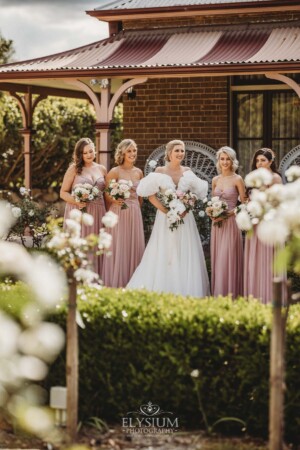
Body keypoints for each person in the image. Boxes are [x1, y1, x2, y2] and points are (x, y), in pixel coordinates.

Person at [127, 139, 210, 297]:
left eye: (182, 150)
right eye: (177, 150)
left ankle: (186, 289)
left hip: (185, 218)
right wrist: (166, 210)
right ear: (169, 153)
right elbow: (150, 195)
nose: (180, 153)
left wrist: (186, 207)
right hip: (165, 217)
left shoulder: (187, 171)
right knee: (166, 249)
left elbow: (197, 193)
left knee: (184, 249)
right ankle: (164, 286)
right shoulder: (159, 170)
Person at [60, 137, 107, 276]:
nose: (89, 155)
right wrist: (76, 201)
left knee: (95, 245)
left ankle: (96, 277)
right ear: (80, 154)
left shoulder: (102, 169)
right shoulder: (74, 169)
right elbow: (63, 192)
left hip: (98, 212)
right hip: (79, 211)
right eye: (85, 153)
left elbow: (107, 192)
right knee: (80, 245)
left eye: (91, 151)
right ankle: (76, 279)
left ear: (95, 151)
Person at [102, 139, 145, 288]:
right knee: (119, 245)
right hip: (118, 213)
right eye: (129, 151)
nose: (132, 154)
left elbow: (141, 197)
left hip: (134, 213)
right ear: (122, 153)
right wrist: (115, 200)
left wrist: (135, 209)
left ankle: (134, 282)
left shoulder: (139, 172)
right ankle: (117, 282)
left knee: (134, 245)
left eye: (134, 150)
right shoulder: (115, 171)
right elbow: (106, 195)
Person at [243, 148, 283, 304]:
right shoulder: (252, 178)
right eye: (257, 160)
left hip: (269, 222)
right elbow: (247, 200)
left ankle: (270, 296)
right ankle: (255, 295)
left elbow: (277, 202)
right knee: (255, 259)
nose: (259, 164)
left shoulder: (275, 178)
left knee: (269, 260)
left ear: (271, 162)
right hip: (255, 223)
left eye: (263, 160)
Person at [209, 146, 246, 298]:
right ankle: (218, 294)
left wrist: (228, 214)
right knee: (218, 257)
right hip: (217, 224)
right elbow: (212, 202)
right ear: (218, 161)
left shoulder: (238, 179)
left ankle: (232, 294)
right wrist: (211, 213)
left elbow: (244, 204)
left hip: (231, 223)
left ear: (232, 161)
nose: (225, 162)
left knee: (228, 257)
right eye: (222, 159)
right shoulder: (215, 180)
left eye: (227, 159)